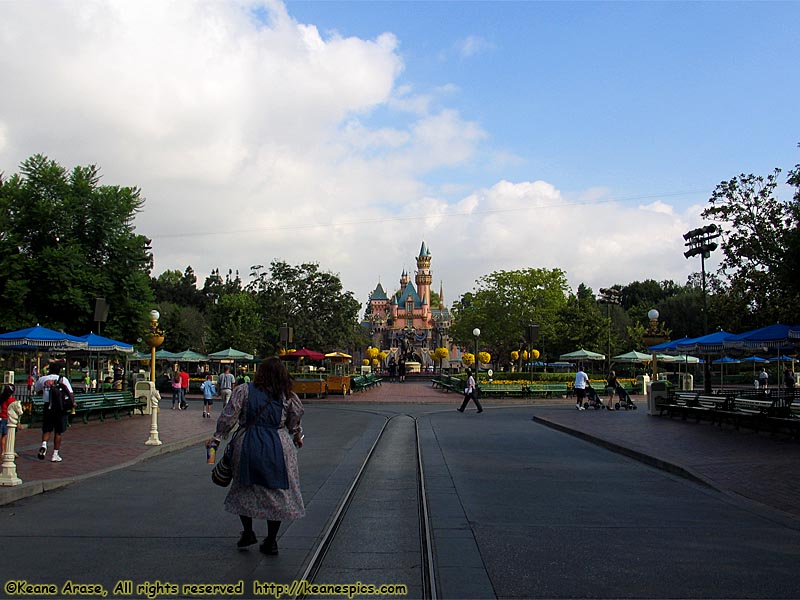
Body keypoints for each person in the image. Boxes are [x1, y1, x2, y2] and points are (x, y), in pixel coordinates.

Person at [207, 356, 305, 555]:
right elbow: (295, 420)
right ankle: (271, 540)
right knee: (278, 491)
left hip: (248, 443)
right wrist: (296, 435)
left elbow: (229, 416)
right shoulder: (287, 395)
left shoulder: (244, 390)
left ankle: (249, 532)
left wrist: (217, 437)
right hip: (278, 443)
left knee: (245, 486)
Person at [34, 363, 75, 462]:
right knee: (58, 432)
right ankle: (55, 454)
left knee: (47, 429)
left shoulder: (43, 379)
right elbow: (70, 393)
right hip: (59, 407)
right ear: (59, 370)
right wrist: (72, 403)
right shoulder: (63, 379)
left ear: (49, 370)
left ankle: (44, 445)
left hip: (48, 406)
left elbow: (36, 389)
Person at [0, 384, 17, 458]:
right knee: (11, 436)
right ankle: (10, 450)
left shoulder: (2, 398)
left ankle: (3, 451)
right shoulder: (12, 400)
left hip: (2, 417)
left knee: (3, 436)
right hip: (10, 419)